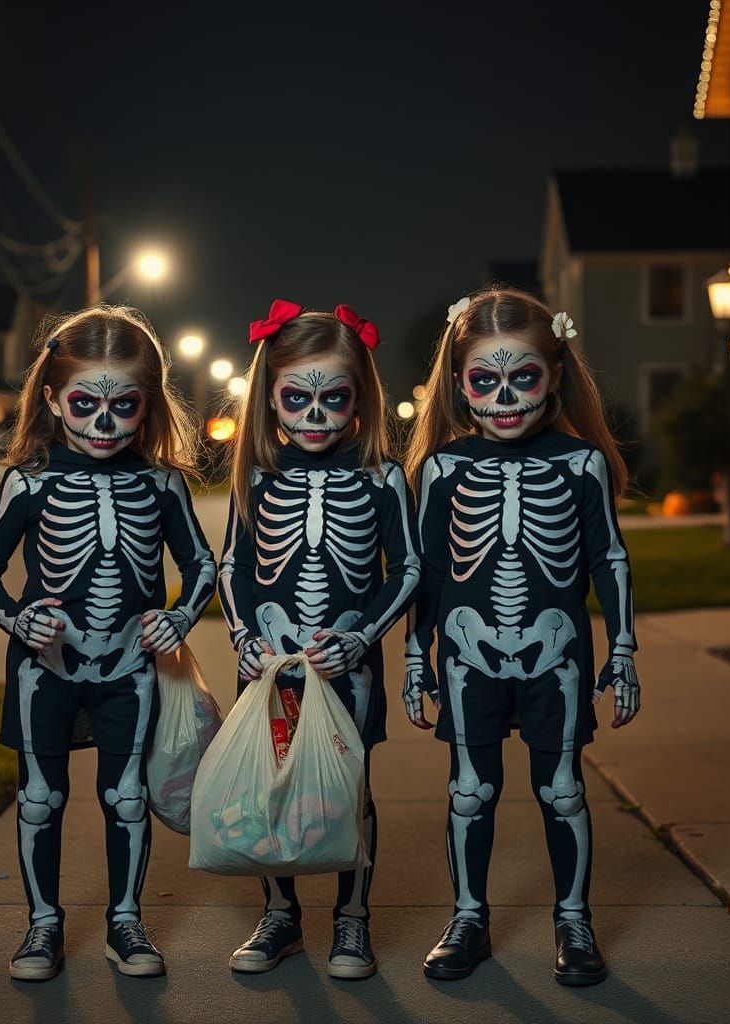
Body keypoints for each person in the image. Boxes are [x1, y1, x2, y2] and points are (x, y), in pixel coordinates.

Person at [0, 305, 216, 982]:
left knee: (127, 794)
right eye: (84, 403)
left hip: (129, 664)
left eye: (123, 406)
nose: (103, 423)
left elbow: (202, 566)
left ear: (147, 405)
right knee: (40, 797)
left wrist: (179, 617)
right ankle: (43, 925)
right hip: (44, 666)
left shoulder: (159, 483)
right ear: (51, 398)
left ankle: (124, 922)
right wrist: (18, 619)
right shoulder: (31, 479)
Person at [402, 287, 640, 987]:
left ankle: (573, 920)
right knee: (469, 791)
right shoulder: (444, 469)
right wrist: (418, 659)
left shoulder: (581, 464)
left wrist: (623, 651)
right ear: (459, 383)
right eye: (485, 380)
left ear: (556, 375)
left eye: (523, 378)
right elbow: (430, 573)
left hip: (555, 654)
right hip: (469, 655)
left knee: (561, 788)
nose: (505, 398)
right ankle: (468, 917)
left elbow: (610, 560)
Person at [217, 299, 420, 979]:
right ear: (269, 399)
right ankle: (280, 915)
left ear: (359, 401)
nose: (314, 414)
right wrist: (242, 635)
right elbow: (233, 566)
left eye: (333, 398)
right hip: (270, 665)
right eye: (296, 397)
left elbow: (410, 569)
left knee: (349, 791)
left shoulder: (383, 477)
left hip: (348, 669)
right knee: (270, 789)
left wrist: (362, 637)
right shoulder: (256, 476)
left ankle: (353, 920)